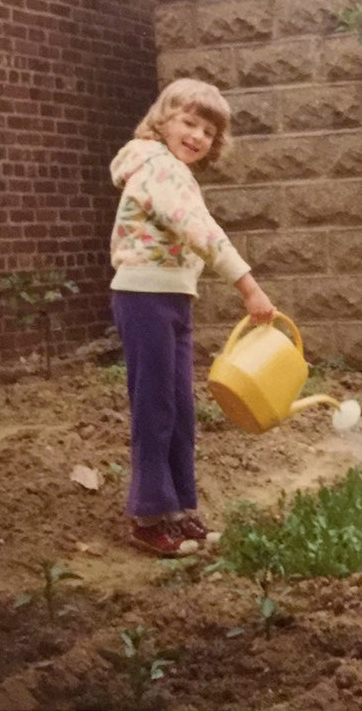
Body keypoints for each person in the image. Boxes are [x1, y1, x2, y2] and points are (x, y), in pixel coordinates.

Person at [109, 78, 276, 557]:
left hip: (172, 299)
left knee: (180, 409)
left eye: (208, 130)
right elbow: (199, 230)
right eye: (188, 122)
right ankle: (148, 517)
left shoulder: (175, 173)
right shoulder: (158, 168)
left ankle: (180, 510)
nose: (198, 136)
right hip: (144, 298)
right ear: (163, 121)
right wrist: (248, 285)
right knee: (155, 408)